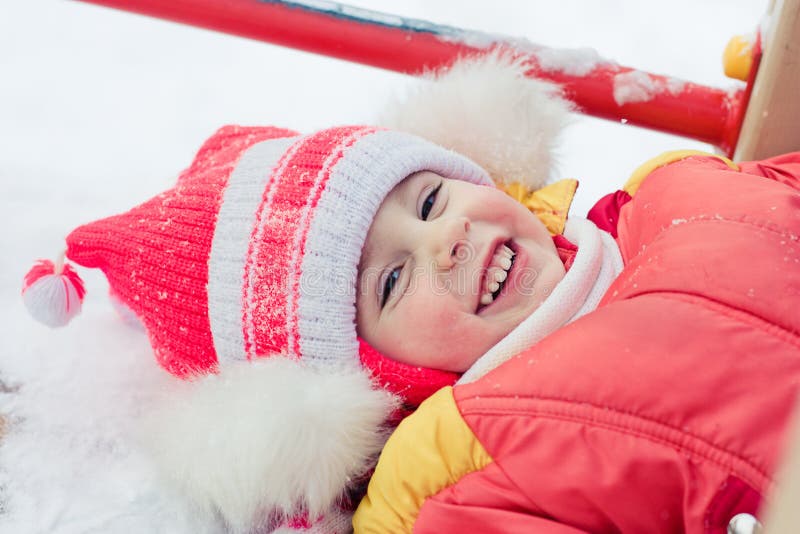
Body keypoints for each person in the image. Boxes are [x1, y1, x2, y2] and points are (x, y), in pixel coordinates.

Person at [19, 52, 800, 533]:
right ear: (371, 380)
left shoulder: (674, 196)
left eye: (428, 200)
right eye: (392, 282)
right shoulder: (458, 472)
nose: (443, 239)